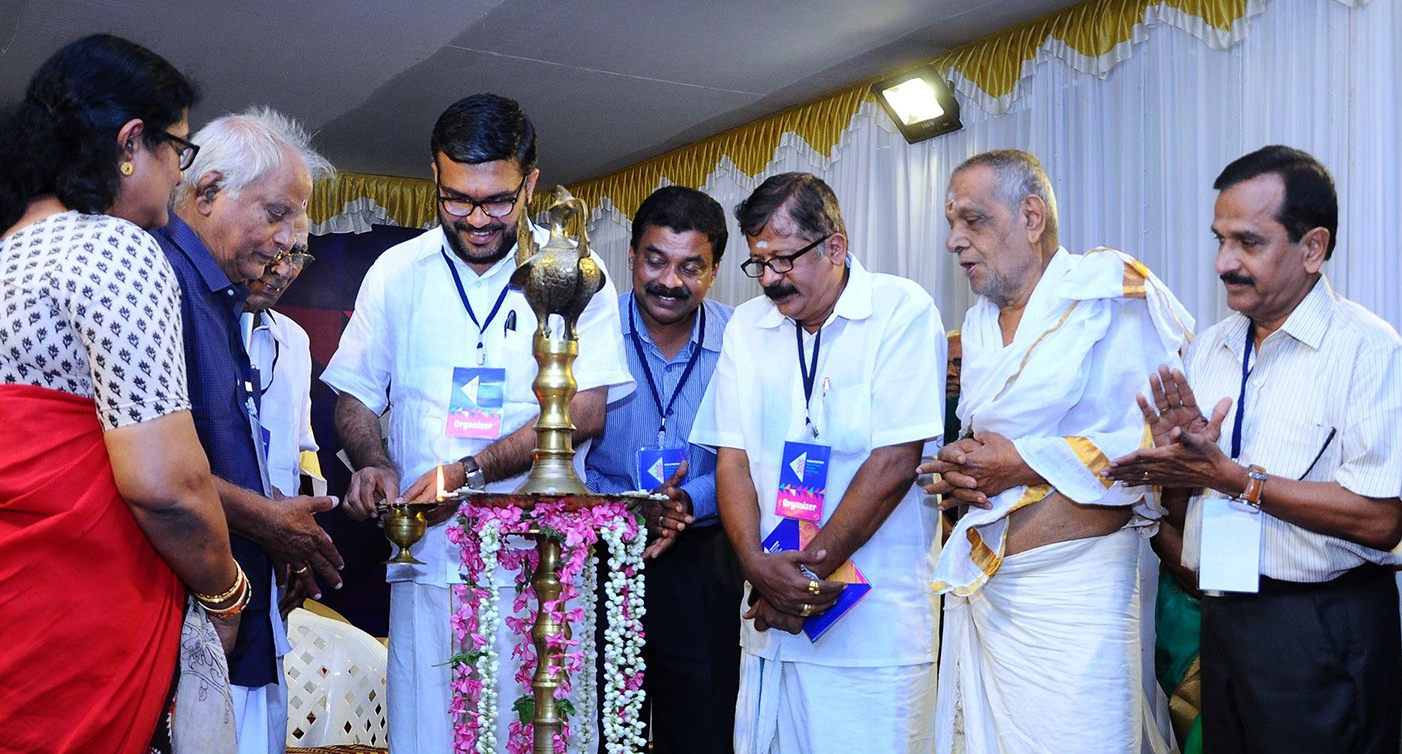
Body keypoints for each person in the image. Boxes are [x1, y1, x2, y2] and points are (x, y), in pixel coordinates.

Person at [322, 92, 633, 752]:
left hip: (536, 563)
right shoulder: (396, 272)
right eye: (457, 199)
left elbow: (584, 411)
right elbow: (351, 395)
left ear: (531, 183)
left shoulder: (572, 271)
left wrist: (467, 472)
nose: (476, 219)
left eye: (497, 200)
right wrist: (372, 460)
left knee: (533, 731)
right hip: (424, 562)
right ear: (433, 177)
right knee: (428, 733)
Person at [0, 34, 243, 753]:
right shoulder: (108, 246)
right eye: (177, 152)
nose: (180, 179)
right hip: (74, 616)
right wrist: (225, 592)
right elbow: (166, 485)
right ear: (131, 143)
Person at [1107, 145, 1402, 753]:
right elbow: (1185, 514)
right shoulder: (1208, 349)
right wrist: (1182, 467)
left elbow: (1383, 519)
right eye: (1219, 240)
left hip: (1322, 630)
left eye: (1248, 242)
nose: (1223, 262)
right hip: (1223, 622)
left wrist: (1239, 479)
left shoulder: (1368, 350)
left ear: (1313, 248)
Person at [919, 150, 1187, 753]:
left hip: (1083, 599)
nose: (955, 241)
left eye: (972, 221)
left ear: (1031, 217)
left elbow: (1156, 446)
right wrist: (964, 472)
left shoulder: (1107, 296)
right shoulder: (981, 326)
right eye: (950, 224)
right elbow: (992, 444)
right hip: (992, 598)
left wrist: (1021, 461)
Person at [691, 172, 947, 753]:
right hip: (769, 620)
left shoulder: (900, 310)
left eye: (784, 260)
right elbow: (732, 460)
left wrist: (804, 574)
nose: (772, 281)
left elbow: (895, 461)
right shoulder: (748, 330)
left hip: (871, 630)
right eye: (759, 263)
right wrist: (756, 565)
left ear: (835, 246)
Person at [151, 107, 338, 754]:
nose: (289, 243)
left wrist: (282, 538)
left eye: (297, 225)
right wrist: (264, 522)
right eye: (276, 213)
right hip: (182, 618)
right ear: (206, 192)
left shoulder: (224, 301)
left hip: (246, 611)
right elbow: (149, 469)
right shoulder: (158, 283)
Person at [584, 185, 740, 753]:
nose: (670, 281)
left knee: (702, 727)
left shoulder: (742, 340)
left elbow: (747, 457)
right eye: (656, 260)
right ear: (631, 256)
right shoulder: (589, 334)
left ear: (715, 269)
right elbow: (568, 453)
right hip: (605, 553)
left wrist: (687, 502)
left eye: (690, 267)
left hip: (706, 557)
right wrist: (628, 506)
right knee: (602, 727)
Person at [243, 215, 326, 618]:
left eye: (297, 254)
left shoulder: (294, 339)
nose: (284, 268)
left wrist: (300, 549)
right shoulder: (196, 323)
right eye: (277, 251)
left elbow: (303, 455)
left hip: (276, 557)